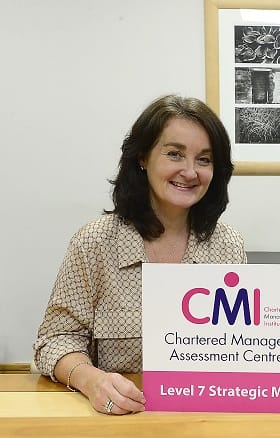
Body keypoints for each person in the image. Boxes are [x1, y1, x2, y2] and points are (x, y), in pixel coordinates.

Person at [33, 95, 247, 415]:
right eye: (175, 154)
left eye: (204, 159)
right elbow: (55, 340)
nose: (190, 171)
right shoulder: (94, 242)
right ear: (143, 157)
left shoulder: (229, 245)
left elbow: (244, 346)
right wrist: (91, 379)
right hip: (116, 421)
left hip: (201, 418)